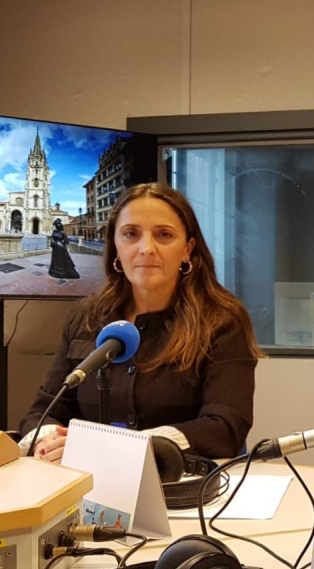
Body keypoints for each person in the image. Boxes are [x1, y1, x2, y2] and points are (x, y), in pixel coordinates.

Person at [19, 183, 261, 462]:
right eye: (131, 234)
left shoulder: (222, 321)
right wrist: (47, 442)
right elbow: (45, 412)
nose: (146, 248)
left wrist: (112, 449)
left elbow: (225, 429)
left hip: (181, 491)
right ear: (116, 247)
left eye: (164, 235)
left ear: (187, 249)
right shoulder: (85, 317)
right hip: (86, 486)